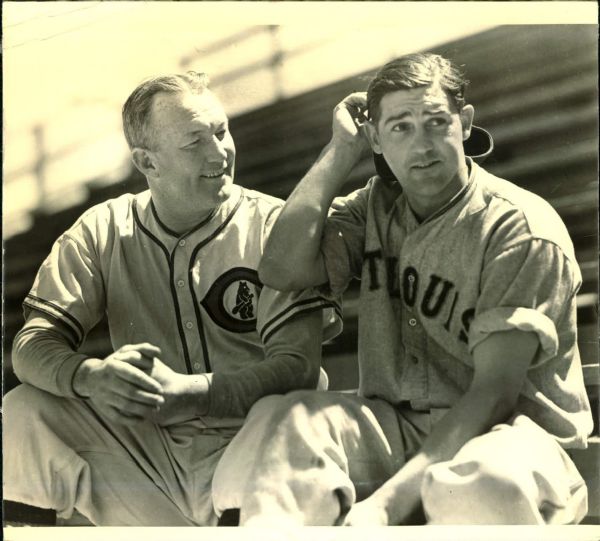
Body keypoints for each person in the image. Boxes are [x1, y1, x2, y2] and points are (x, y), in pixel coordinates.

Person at [212, 53, 593, 526]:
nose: (422, 146)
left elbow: (494, 394)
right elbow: (280, 268)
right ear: (374, 137)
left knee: (476, 483)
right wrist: (339, 152)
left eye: (436, 122)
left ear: (464, 121)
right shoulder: (374, 206)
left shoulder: (518, 227)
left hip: (511, 438)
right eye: (399, 128)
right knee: (290, 419)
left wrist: (386, 505)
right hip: (399, 428)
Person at [2, 71, 341, 526]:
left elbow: (297, 366)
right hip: (151, 460)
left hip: (253, 444)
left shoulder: (275, 225)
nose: (219, 152)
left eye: (221, 131)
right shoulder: (103, 229)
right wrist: (89, 376)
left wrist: (191, 393)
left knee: (283, 414)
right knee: (26, 409)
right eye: (194, 142)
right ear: (147, 162)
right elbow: (31, 347)